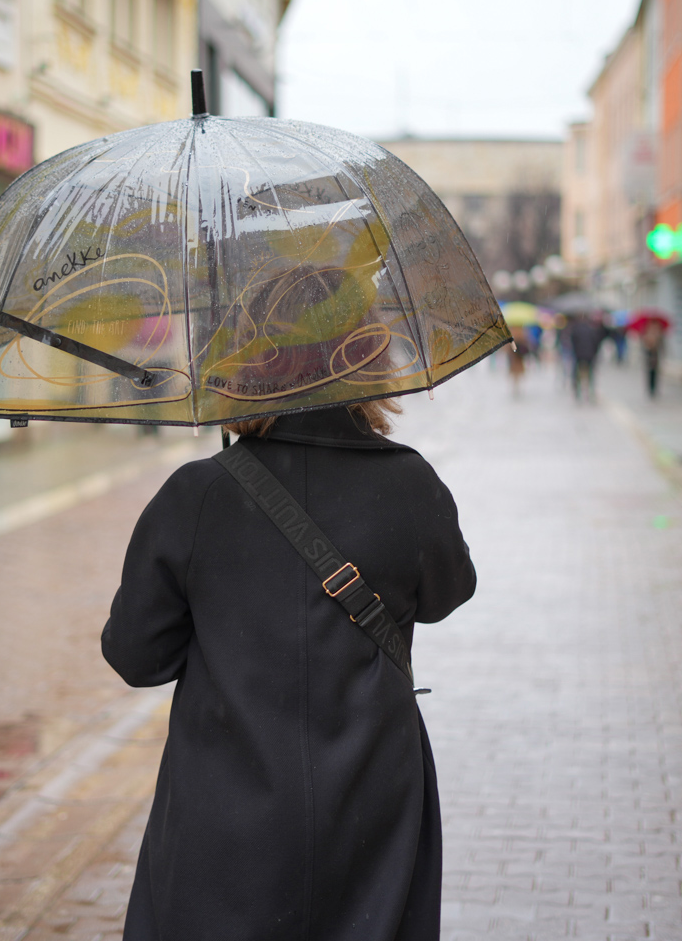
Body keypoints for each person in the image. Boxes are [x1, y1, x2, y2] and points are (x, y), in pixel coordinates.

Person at [102, 400, 476, 941]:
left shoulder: (197, 492)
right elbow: (447, 592)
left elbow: (136, 656)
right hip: (373, 789)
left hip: (224, 795)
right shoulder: (409, 479)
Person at [567, 313, 608, 402]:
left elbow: (573, 342)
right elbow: (596, 342)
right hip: (590, 355)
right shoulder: (592, 329)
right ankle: (591, 391)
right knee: (590, 374)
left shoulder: (576, 330)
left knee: (577, 374)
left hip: (579, 355)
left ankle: (577, 391)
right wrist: (594, 353)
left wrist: (576, 352)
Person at [641, 321, 665, 398]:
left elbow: (661, 345)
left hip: (655, 356)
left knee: (655, 373)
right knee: (649, 373)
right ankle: (650, 388)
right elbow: (644, 345)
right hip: (649, 355)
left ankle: (654, 388)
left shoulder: (659, 334)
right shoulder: (646, 334)